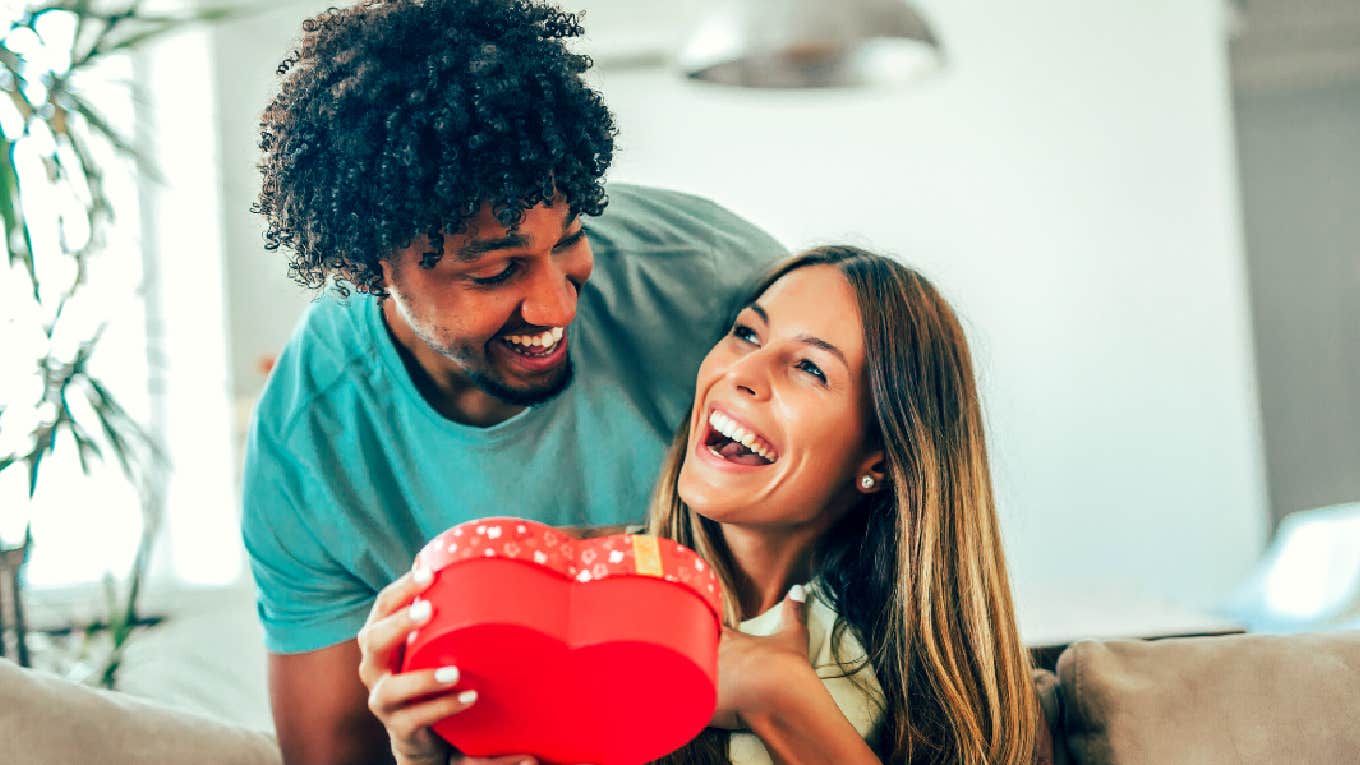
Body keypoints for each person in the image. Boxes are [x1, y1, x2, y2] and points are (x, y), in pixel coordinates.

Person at [242, 1, 784, 763]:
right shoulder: (313, 443)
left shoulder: (718, 288)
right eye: (495, 271)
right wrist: (419, 745)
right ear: (369, 266)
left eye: (570, 239)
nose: (558, 304)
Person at [362, 246, 1049, 765]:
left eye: (809, 367)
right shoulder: (571, 591)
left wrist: (779, 695)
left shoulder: (950, 679)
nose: (742, 373)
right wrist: (427, 754)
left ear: (883, 457)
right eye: (747, 334)